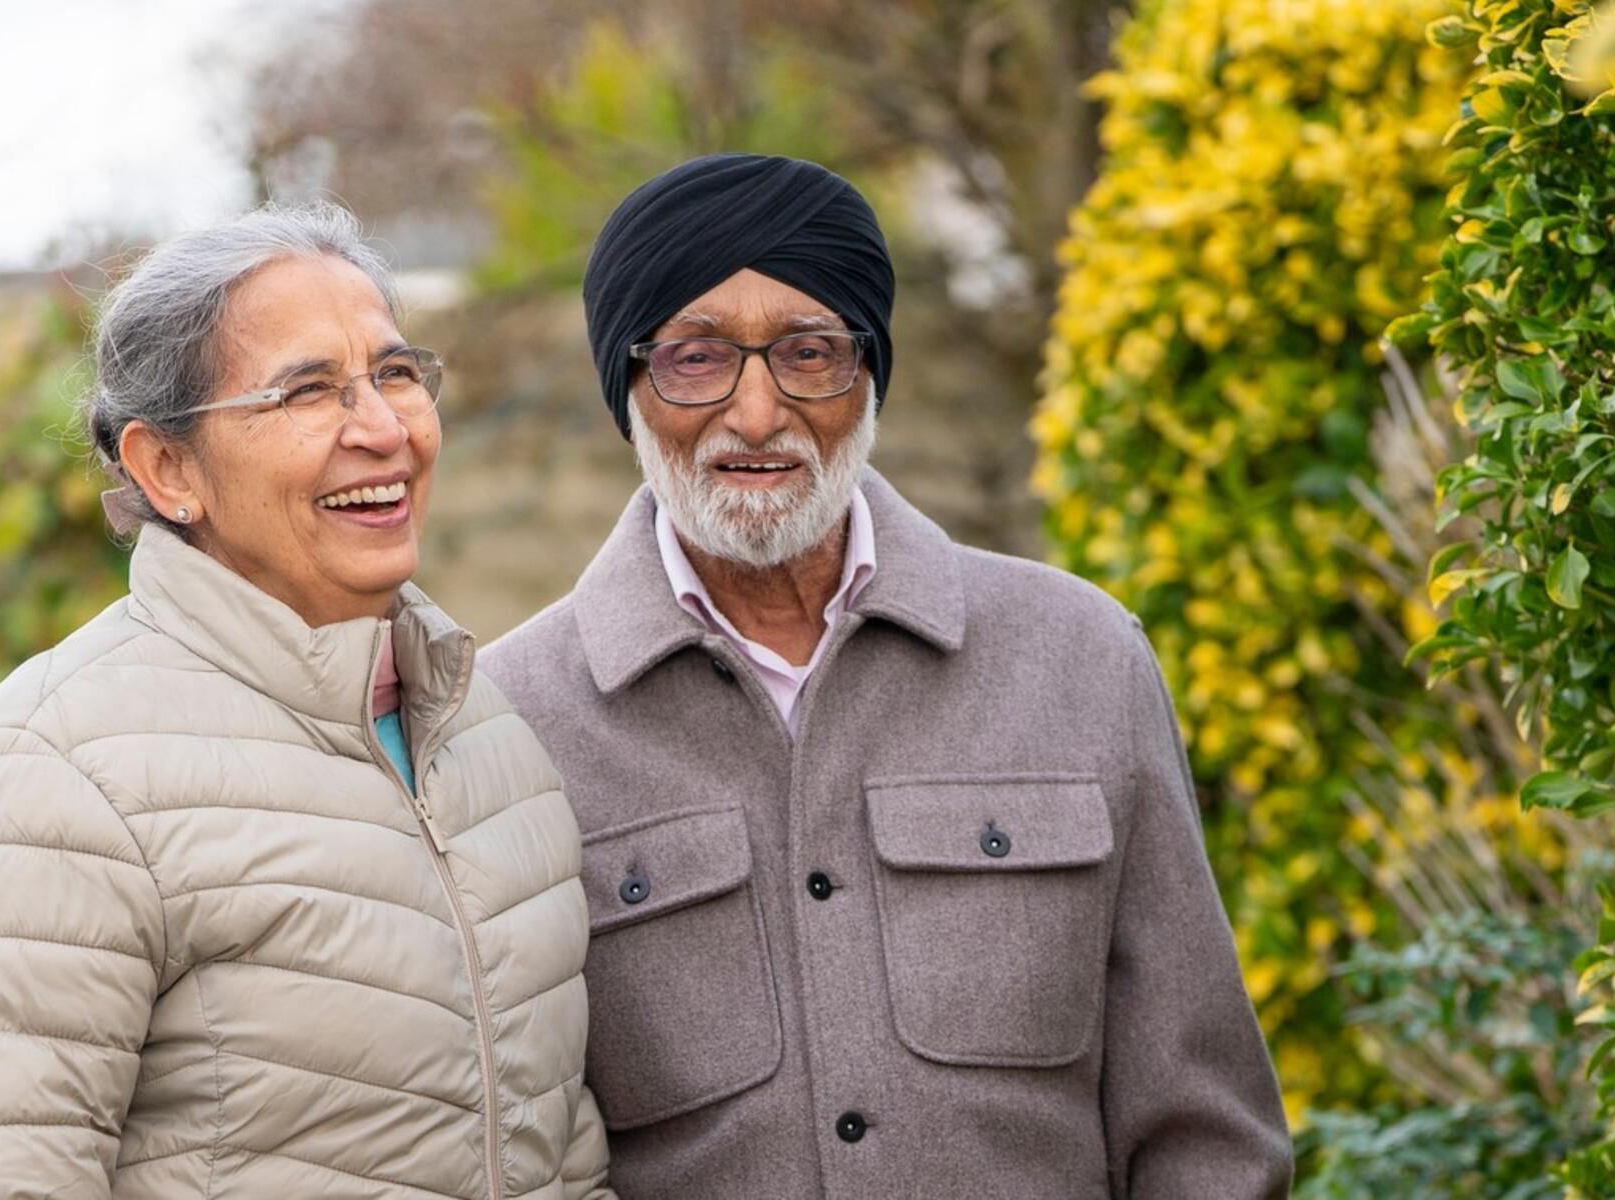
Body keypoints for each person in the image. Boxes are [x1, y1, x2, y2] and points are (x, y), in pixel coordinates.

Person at [481, 154, 1292, 1198]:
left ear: (870, 375)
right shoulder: (510, 724)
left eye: (811, 353)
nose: (760, 414)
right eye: (695, 359)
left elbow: (1207, 1132)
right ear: (627, 388)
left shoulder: (1078, 656)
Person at [0, 202, 613, 1200]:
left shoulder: (493, 739)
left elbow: (564, 1160)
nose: (384, 429)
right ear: (168, 469)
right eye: (308, 392)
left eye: (395, 374)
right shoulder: (46, 776)